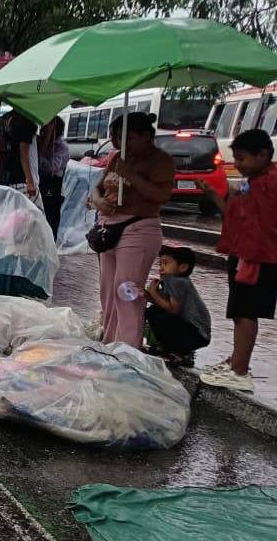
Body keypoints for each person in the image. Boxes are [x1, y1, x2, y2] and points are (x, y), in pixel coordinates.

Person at [196, 129, 277, 392]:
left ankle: (239, 370)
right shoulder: (253, 182)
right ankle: (237, 361)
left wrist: (246, 256)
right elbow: (234, 216)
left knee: (245, 311)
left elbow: (261, 226)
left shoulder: (269, 184)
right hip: (244, 254)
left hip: (256, 258)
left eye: (241, 159)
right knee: (240, 311)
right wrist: (213, 195)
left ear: (263, 154)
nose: (238, 165)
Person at [90, 111, 174, 348]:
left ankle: (127, 347)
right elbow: (97, 188)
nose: (119, 143)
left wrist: (133, 177)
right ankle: (110, 340)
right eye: (116, 137)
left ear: (146, 136)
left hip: (138, 229)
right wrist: (99, 201)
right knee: (108, 290)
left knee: (125, 290)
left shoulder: (160, 160)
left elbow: (161, 195)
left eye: (126, 137)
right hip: (109, 229)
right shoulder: (117, 157)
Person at [143, 246, 211, 368]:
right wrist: (147, 294)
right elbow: (162, 303)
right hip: (196, 334)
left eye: (166, 263)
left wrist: (153, 293)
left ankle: (180, 354)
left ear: (183, 267)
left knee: (155, 314)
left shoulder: (176, 281)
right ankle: (173, 350)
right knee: (154, 311)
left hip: (196, 334)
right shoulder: (175, 280)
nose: (161, 268)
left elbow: (172, 309)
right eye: (160, 264)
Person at [37, 116, 70, 237]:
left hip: (52, 191)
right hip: (40, 189)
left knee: (50, 223)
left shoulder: (61, 147)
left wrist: (44, 146)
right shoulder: (40, 142)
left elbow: (50, 168)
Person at [0, 109, 40, 200]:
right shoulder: (26, 122)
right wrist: (30, 181)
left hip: (9, 176)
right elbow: (24, 153)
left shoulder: (6, 118)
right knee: (30, 213)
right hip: (23, 180)